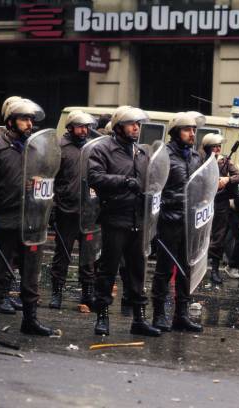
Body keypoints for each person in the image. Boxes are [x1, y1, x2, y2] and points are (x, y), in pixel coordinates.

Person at [0, 97, 55, 336]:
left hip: (31, 220)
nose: (29, 123)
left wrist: (40, 182)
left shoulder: (35, 148)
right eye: (24, 119)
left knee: (31, 273)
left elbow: (48, 176)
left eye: (31, 119)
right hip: (5, 219)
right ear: (11, 121)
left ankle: (30, 320)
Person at [88, 106, 160, 337]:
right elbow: (94, 177)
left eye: (138, 124)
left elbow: (151, 180)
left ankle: (139, 319)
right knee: (108, 270)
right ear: (119, 127)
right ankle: (102, 318)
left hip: (138, 218)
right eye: (131, 124)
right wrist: (124, 181)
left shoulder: (141, 152)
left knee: (137, 270)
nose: (136, 128)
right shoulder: (103, 149)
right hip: (115, 217)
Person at [151, 112, 204, 333]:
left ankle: (181, 315)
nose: (192, 133)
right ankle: (159, 315)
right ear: (175, 133)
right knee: (164, 270)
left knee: (186, 269)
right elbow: (154, 189)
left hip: (190, 223)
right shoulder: (164, 156)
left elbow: (201, 186)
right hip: (169, 221)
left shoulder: (196, 157)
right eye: (186, 129)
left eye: (193, 130)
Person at [49, 110, 97, 310]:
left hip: (88, 212)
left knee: (88, 256)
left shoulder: (93, 148)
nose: (84, 130)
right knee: (63, 253)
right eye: (80, 126)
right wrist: (52, 206)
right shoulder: (59, 148)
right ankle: (57, 293)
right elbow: (49, 177)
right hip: (66, 210)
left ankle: (87, 293)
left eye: (86, 127)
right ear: (70, 127)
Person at [201, 133, 239, 284]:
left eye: (219, 146)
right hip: (203, 202)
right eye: (214, 146)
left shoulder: (225, 160)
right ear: (207, 147)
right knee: (201, 236)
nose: (218, 149)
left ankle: (214, 270)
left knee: (218, 237)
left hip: (220, 203)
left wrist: (227, 179)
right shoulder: (199, 161)